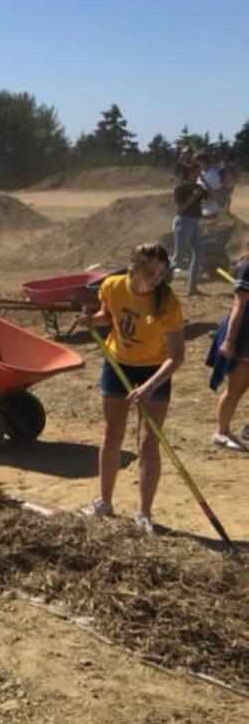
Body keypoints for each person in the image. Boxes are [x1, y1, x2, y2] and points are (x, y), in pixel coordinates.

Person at [80, 243, 185, 535]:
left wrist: (150, 387)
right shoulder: (112, 286)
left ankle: (144, 513)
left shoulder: (168, 302)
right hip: (118, 364)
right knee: (111, 434)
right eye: (150, 272)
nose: (156, 279)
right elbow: (107, 315)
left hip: (155, 369)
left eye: (161, 273)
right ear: (134, 267)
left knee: (147, 443)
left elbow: (177, 356)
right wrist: (93, 320)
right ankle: (104, 502)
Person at [206, 244, 249, 451]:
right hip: (245, 334)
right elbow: (238, 307)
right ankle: (221, 432)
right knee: (237, 387)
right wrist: (230, 341)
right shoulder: (247, 267)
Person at [171, 161, 207, 296]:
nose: (197, 174)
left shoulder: (198, 187)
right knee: (178, 257)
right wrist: (194, 197)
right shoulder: (180, 188)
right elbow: (180, 209)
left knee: (199, 254)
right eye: (194, 171)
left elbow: (208, 200)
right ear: (188, 173)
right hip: (184, 222)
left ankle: (193, 287)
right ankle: (161, 285)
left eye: (198, 171)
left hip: (194, 222)